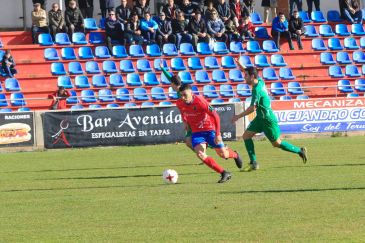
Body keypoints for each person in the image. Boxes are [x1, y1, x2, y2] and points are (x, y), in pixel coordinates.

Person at [232, 62, 308, 171]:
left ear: (252, 77)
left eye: (246, 76)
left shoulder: (257, 90)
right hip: (260, 118)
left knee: (277, 143)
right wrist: (240, 64)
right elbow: (248, 71)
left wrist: (238, 116)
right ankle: (253, 162)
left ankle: (300, 151)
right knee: (246, 136)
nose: (244, 77)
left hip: (267, 120)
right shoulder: (260, 82)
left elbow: (252, 108)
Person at [176, 83, 243, 183]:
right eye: (181, 95)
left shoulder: (200, 101)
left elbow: (215, 115)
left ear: (191, 92)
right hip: (197, 133)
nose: (183, 97)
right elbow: (182, 112)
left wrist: (218, 134)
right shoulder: (179, 103)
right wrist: (185, 121)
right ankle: (224, 173)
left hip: (210, 130)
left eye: (185, 95)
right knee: (200, 154)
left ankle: (235, 155)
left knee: (223, 154)